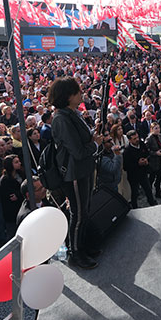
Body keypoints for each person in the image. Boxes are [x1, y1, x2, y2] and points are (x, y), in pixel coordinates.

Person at [48, 77, 101, 270]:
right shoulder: (62, 119)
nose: (81, 94)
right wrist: (95, 144)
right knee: (78, 213)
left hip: (84, 168)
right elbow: (77, 151)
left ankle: (82, 245)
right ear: (67, 96)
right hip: (74, 172)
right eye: (77, 91)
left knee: (84, 211)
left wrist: (93, 138)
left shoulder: (73, 114)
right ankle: (76, 252)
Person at [124, 130, 155, 208]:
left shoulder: (141, 144)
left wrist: (146, 160)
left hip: (143, 173)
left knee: (148, 189)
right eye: (134, 139)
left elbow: (147, 154)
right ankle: (134, 207)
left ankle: (152, 203)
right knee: (134, 192)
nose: (137, 140)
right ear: (130, 140)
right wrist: (137, 163)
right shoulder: (127, 151)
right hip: (133, 176)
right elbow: (126, 166)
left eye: (137, 137)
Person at [0, 155, 23, 240]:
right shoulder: (5, 179)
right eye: (16, 162)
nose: (19, 163)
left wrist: (18, 195)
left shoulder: (21, 173)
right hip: (12, 210)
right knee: (13, 233)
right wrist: (19, 194)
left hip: (20, 205)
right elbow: (11, 196)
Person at [145, 123, 161, 200]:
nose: (158, 130)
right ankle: (149, 195)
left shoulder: (160, 136)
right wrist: (155, 153)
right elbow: (146, 150)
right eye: (156, 128)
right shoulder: (149, 138)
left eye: (158, 128)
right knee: (152, 178)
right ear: (151, 129)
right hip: (153, 161)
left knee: (159, 177)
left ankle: (158, 191)